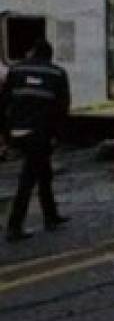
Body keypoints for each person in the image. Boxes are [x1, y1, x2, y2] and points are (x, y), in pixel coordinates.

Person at [1, 40, 71, 242]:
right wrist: (59, 137)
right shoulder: (57, 74)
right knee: (29, 179)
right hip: (40, 134)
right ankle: (14, 226)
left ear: (33, 53)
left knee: (43, 173)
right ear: (50, 55)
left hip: (17, 131)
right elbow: (62, 109)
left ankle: (51, 216)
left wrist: (5, 135)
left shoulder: (16, 70)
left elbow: (3, 102)